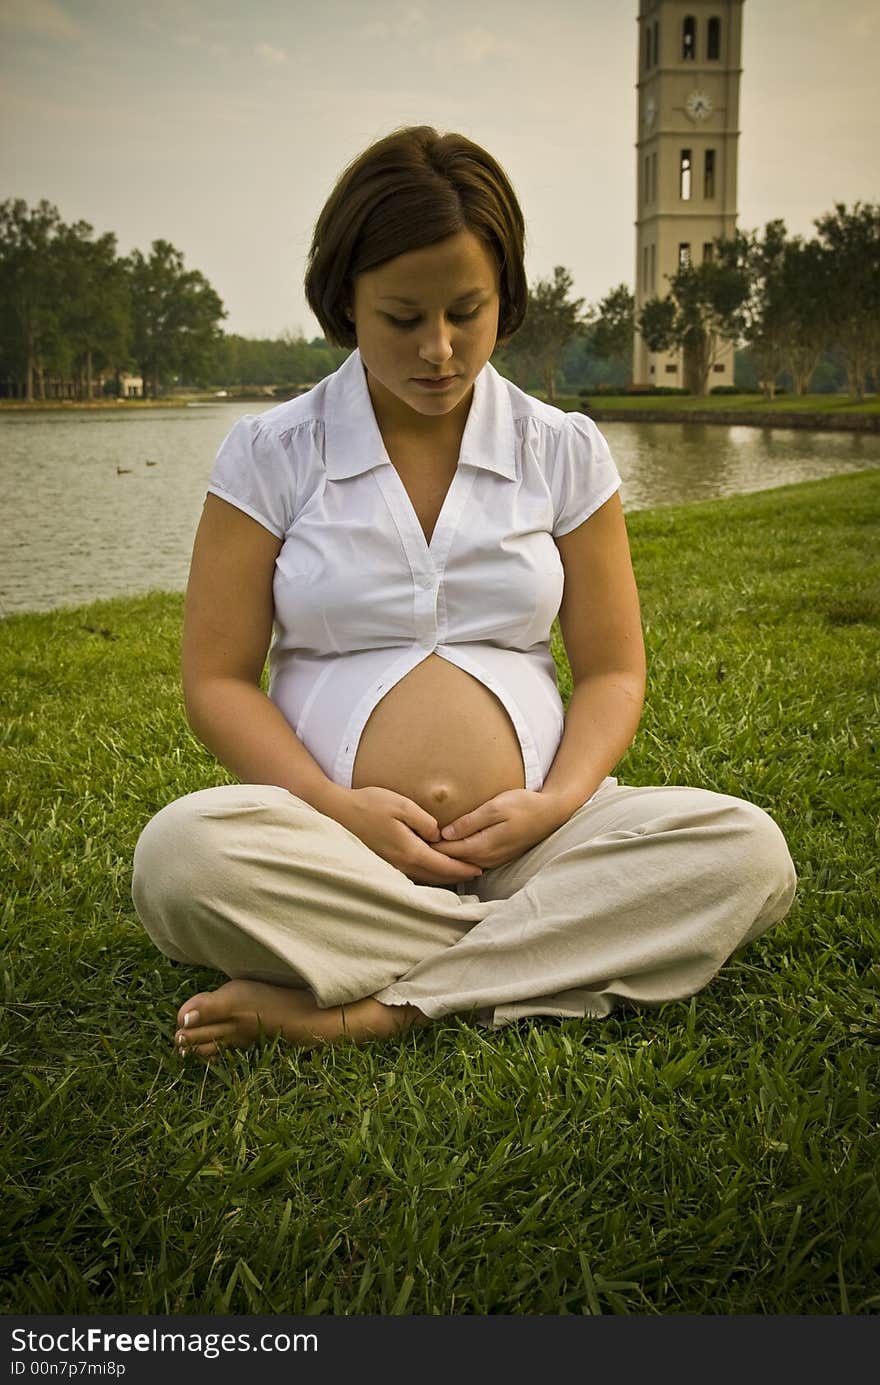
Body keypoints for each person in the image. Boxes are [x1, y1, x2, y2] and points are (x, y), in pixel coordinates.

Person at [131, 125, 796, 1059]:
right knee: (181, 857)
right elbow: (218, 678)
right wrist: (335, 805)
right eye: (402, 317)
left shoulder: (561, 449)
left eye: (467, 312)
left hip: (535, 843)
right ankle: (552, 946)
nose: (439, 350)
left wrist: (558, 804)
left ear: (504, 301)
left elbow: (612, 670)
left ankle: (368, 1011)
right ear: (346, 303)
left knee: (751, 852)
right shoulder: (271, 453)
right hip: (339, 849)